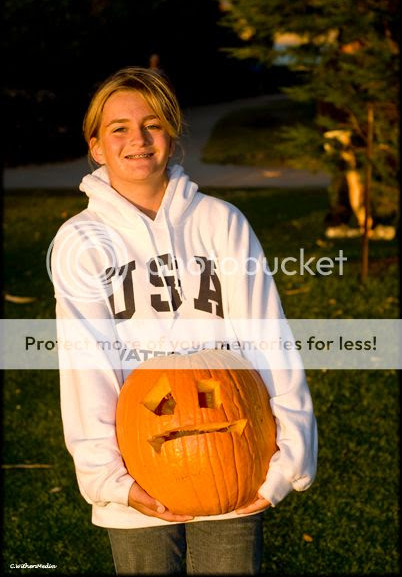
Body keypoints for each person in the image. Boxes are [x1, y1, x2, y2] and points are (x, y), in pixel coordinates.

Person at [50, 66, 317, 575]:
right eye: (119, 128)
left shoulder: (221, 222)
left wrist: (291, 455)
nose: (138, 139)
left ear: (171, 139)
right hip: (136, 461)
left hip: (233, 449)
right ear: (96, 147)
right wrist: (109, 478)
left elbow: (269, 337)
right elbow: (85, 366)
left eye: (152, 125)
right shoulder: (80, 240)